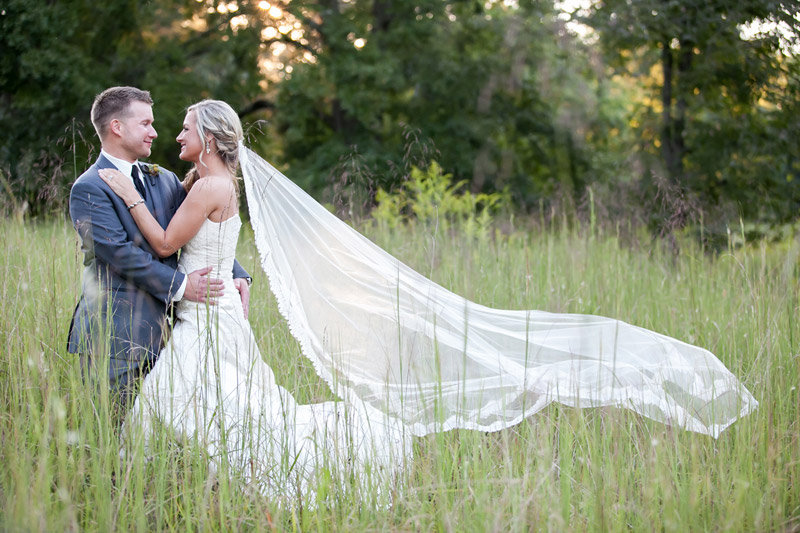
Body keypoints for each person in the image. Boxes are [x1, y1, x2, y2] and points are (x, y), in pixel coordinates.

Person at [102, 98, 758, 502]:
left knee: (212, 407)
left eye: (185, 128)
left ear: (211, 138)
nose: (177, 136)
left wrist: (122, 189)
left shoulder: (208, 188)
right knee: (219, 406)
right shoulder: (210, 181)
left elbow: (162, 243)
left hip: (207, 316)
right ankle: (187, 492)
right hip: (213, 312)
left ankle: (218, 489)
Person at [67, 87, 252, 418]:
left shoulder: (164, 180)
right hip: (114, 338)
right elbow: (122, 254)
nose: (155, 131)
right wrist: (183, 285)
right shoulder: (89, 187)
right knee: (111, 438)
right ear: (117, 127)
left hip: (167, 336)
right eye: (146, 123)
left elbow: (203, 232)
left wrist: (235, 274)